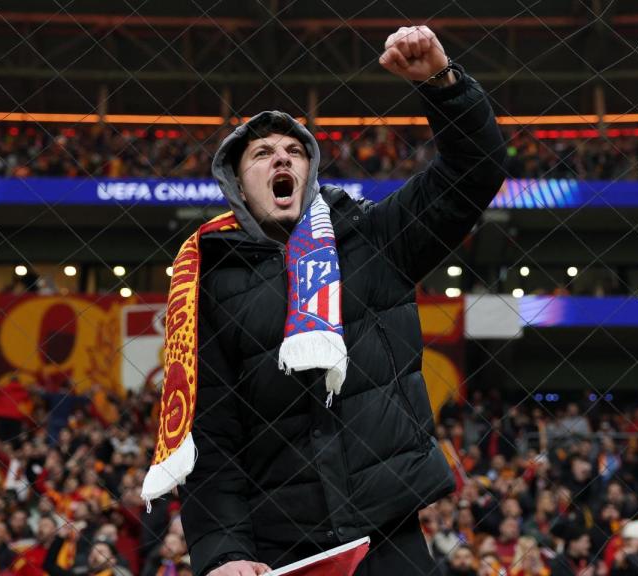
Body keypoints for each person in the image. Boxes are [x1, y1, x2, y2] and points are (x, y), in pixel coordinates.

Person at [145, 25, 506, 576]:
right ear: (239, 186)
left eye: (294, 151)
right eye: (262, 153)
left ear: (309, 172)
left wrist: (442, 82)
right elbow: (211, 436)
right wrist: (223, 553)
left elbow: (472, 173)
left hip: (388, 538)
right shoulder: (209, 284)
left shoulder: (370, 238)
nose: (281, 160)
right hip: (279, 550)